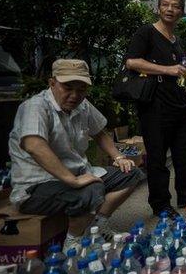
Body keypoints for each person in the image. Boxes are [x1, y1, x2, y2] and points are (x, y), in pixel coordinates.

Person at [9, 59, 145, 251]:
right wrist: (73, 180)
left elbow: (98, 132)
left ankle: (96, 227)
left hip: (77, 175)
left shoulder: (82, 105)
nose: (74, 95)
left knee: (131, 173)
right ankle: (73, 244)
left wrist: (119, 157)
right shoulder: (36, 107)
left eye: (81, 89)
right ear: (52, 83)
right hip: (37, 186)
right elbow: (34, 145)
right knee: (91, 191)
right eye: (68, 87)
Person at [126, 0, 186, 218]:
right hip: (155, 105)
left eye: (176, 6)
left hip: (179, 103)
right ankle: (160, 204)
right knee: (158, 157)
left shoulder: (176, 40)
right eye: (166, 5)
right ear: (158, 8)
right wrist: (166, 69)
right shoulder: (147, 33)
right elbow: (132, 62)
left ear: (182, 12)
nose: (170, 9)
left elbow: (178, 72)